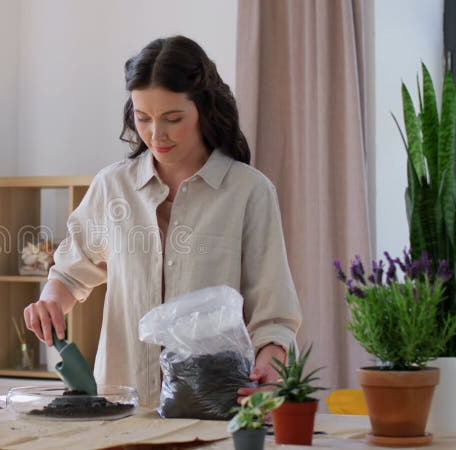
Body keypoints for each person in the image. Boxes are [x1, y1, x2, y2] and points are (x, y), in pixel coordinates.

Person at [23, 35, 302, 408]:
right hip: (121, 410)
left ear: (203, 108)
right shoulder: (113, 186)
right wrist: (50, 303)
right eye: (143, 118)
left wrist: (271, 361)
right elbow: (70, 275)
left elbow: (273, 315)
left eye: (173, 118)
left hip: (212, 410)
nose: (157, 134)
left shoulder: (249, 192)